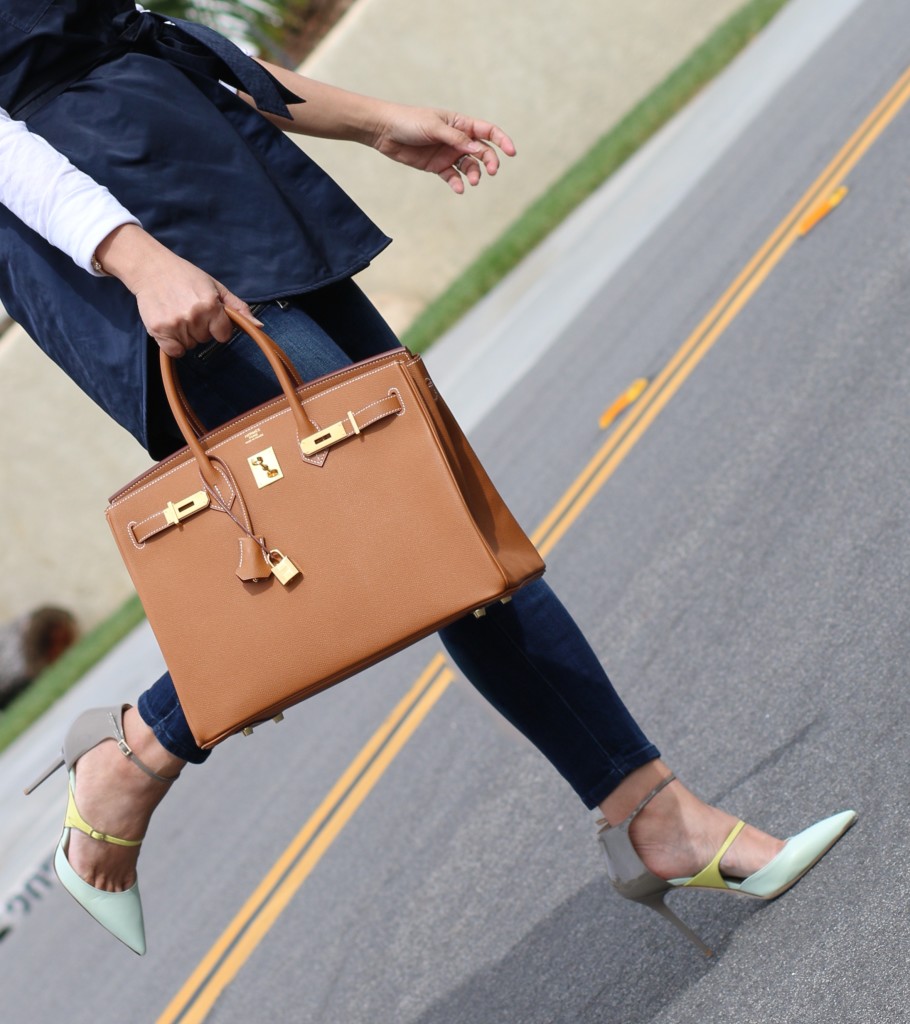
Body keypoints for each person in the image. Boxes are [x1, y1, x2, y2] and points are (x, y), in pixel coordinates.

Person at [4, 1, 855, 959]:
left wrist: (364, 117)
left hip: (205, 167)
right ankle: (138, 752)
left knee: (449, 525)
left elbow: (136, 30)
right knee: (405, 522)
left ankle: (647, 812)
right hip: (124, 232)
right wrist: (137, 259)